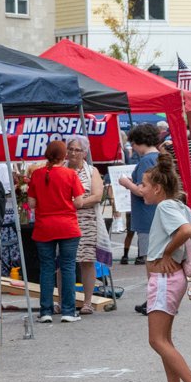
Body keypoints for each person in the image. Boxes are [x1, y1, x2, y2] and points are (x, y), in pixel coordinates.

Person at [138, 152, 191, 382]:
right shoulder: (178, 205)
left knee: (156, 340)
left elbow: (185, 231)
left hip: (164, 278)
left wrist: (168, 252)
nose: (141, 189)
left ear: (157, 188)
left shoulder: (166, 206)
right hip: (169, 279)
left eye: (144, 185)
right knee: (165, 338)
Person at [27, 140, 86, 323]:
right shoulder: (70, 174)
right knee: (68, 268)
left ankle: (46, 311)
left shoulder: (36, 174)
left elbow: (31, 203)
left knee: (47, 268)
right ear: (64, 155)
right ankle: (68, 311)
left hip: (44, 227)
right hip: (67, 226)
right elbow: (79, 202)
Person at [65, 135, 106, 315]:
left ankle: (87, 301)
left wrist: (76, 203)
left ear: (85, 153)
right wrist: (79, 202)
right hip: (65, 220)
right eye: (71, 149)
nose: (73, 153)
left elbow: (97, 196)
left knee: (87, 261)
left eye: (77, 150)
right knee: (64, 262)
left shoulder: (92, 171)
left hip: (87, 221)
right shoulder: (61, 169)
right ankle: (64, 299)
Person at [119, 123, 163, 271]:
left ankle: (154, 292)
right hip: (156, 214)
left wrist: (126, 183)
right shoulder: (159, 157)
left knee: (151, 262)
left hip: (146, 216)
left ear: (138, 142)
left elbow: (142, 191)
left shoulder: (145, 160)